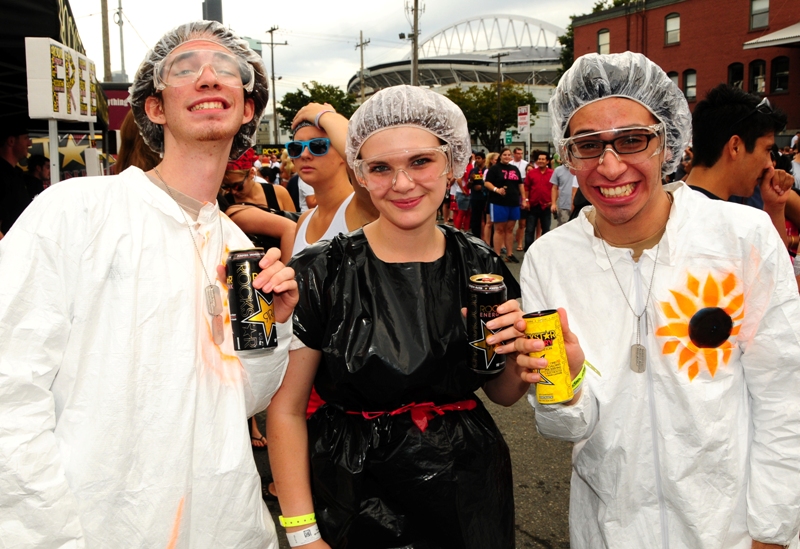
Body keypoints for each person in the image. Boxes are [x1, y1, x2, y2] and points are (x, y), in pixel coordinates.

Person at [0, 21, 298, 548]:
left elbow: (239, 400)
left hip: (223, 524)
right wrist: (48, 536)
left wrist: (272, 328)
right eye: (184, 69)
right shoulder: (75, 212)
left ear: (248, 107)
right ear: (155, 107)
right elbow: (10, 390)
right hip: (97, 526)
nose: (208, 78)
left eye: (225, 69)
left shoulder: (235, 245)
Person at [513, 52, 800, 549]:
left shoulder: (739, 237)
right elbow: (563, 426)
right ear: (567, 154)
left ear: (666, 140)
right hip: (610, 530)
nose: (610, 165)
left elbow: (784, 394)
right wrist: (569, 383)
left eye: (631, 140)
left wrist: (773, 531)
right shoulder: (549, 259)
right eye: (587, 145)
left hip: (731, 531)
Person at [267, 85, 531, 549]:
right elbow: (286, 409)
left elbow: (502, 392)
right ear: (361, 176)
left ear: (452, 164)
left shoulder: (480, 264)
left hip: (468, 492)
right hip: (355, 489)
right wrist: (303, 533)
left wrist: (524, 362)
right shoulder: (322, 272)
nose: (403, 184)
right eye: (381, 168)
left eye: (420, 162)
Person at [685, 84, 795, 250]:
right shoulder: (749, 226)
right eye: (767, 150)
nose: (769, 166)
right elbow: (774, 272)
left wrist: (775, 207)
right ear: (735, 147)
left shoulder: (656, 214)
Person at [485, 147, 523, 262]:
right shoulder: (494, 169)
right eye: (505, 154)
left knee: (510, 229)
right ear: (500, 156)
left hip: (513, 202)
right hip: (498, 202)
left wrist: (524, 198)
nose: (507, 157)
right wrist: (497, 189)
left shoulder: (514, 169)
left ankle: (509, 254)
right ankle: (497, 255)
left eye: (509, 155)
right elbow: (487, 183)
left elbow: (520, 184)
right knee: (499, 229)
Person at [0, 118, 32, 236]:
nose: (30, 143)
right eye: (26, 138)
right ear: (11, 141)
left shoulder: (17, 173)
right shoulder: (2, 174)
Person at [522, 151, 553, 249]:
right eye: (539, 159)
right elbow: (526, 187)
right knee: (530, 229)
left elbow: (555, 188)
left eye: (543, 159)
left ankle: (544, 250)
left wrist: (553, 202)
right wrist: (526, 200)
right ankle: (528, 250)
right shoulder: (531, 173)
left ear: (547, 161)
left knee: (546, 230)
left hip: (546, 205)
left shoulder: (552, 173)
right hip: (533, 205)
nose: (541, 161)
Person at [510, 147, 529, 249]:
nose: (520, 155)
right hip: (513, 191)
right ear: (514, 154)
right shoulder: (510, 164)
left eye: (521, 153)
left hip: (522, 189)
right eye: (518, 153)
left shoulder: (525, 164)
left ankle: (520, 242)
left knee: (522, 222)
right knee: (511, 222)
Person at [468, 151, 487, 239]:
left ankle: (488, 238)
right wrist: (471, 181)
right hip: (475, 198)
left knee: (487, 219)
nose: (477, 160)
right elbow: (468, 186)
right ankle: (476, 237)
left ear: (484, 160)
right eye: (476, 158)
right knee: (476, 219)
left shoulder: (487, 170)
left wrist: (482, 187)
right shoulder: (473, 171)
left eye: (479, 158)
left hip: (486, 198)